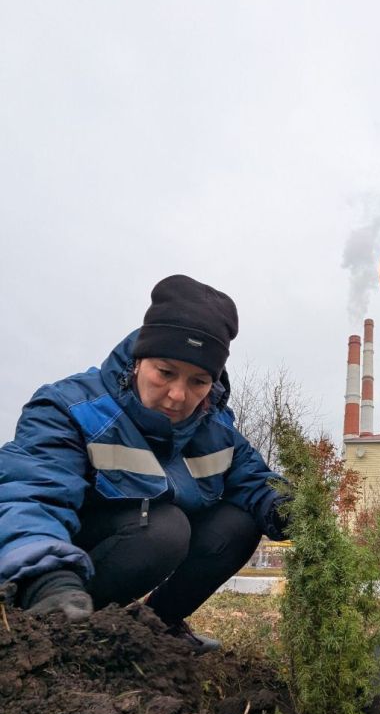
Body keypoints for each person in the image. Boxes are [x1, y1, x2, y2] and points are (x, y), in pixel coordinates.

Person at [0, 275, 289, 653]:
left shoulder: (215, 427)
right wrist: (47, 579)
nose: (177, 395)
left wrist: (288, 508)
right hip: (65, 564)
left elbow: (254, 480)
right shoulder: (69, 408)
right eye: (165, 372)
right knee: (165, 529)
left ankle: (156, 628)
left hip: (144, 541)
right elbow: (30, 495)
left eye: (199, 381)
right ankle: (60, 626)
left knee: (239, 522)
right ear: (139, 359)